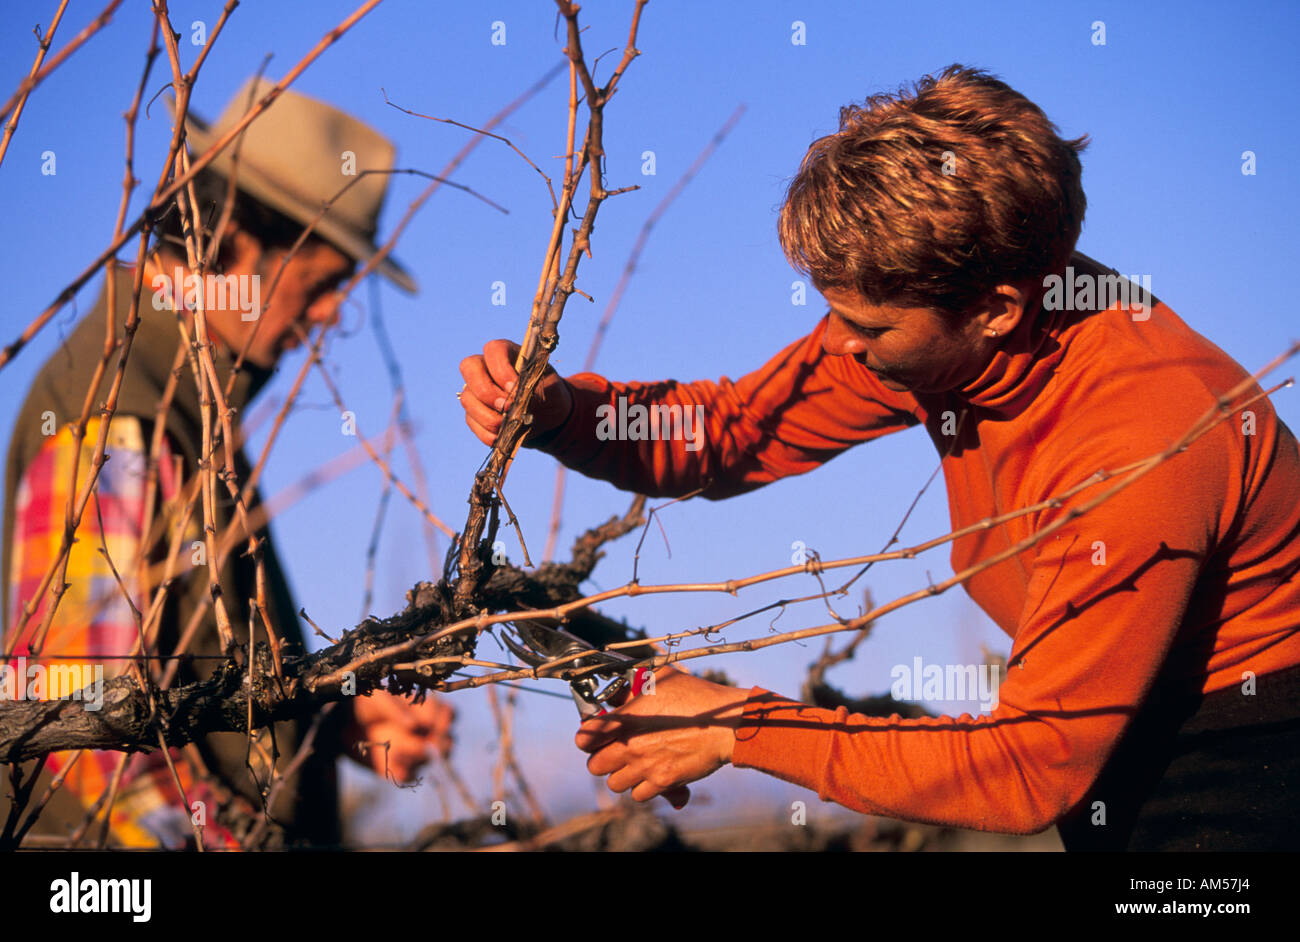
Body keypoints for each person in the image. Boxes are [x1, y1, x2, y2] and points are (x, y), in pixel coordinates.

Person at [458, 65, 1300, 850]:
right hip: (1122, 764)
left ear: (998, 309)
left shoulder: (1140, 438)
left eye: (868, 327)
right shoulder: (947, 331)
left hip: (1250, 770)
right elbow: (733, 432)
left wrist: (735, 724)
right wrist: (565, 412)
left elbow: (1026, 767)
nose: (841, 346)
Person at [2, 79, 453, 849]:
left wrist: (323, 721)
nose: (333, 314)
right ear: (231, 236)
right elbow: (84, 745)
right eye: (320, 284)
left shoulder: (185, 402)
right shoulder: (119, 419)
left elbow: (173, 690)